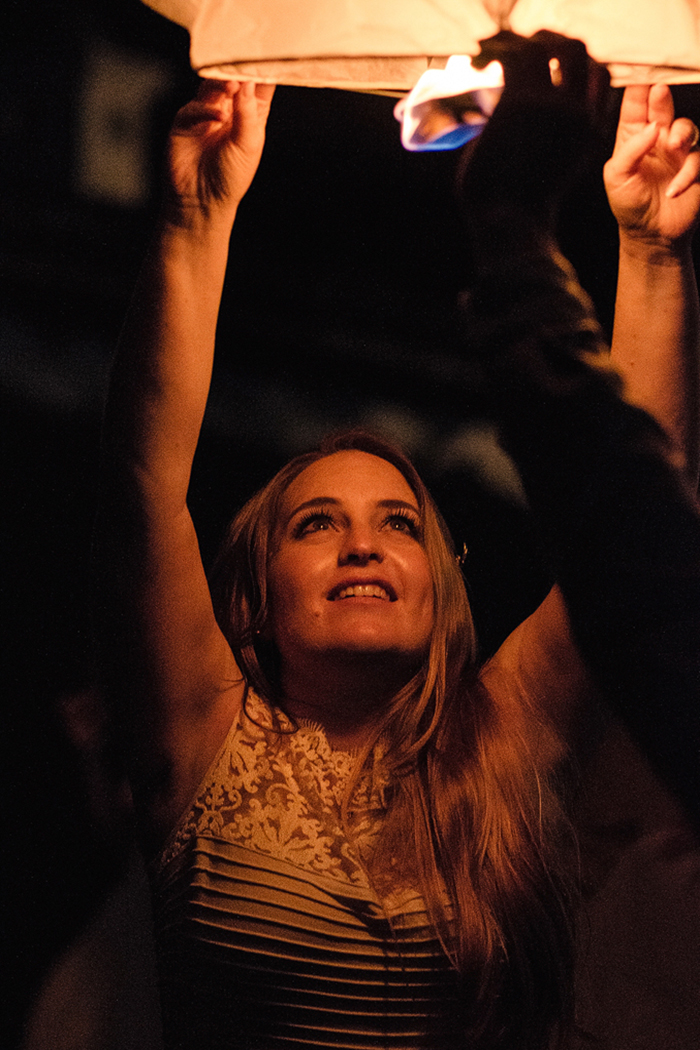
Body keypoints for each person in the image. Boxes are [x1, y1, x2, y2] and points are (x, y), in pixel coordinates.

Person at [94, 36, 700, 1050]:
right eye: (316, 524)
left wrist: (650, 250)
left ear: (440, 585)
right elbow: (144, 481)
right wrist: (193, 223)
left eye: (400, 524)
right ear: (253, 595)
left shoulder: (504, 741)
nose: (362, 547)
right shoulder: (202, 735)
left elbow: (624, 529)